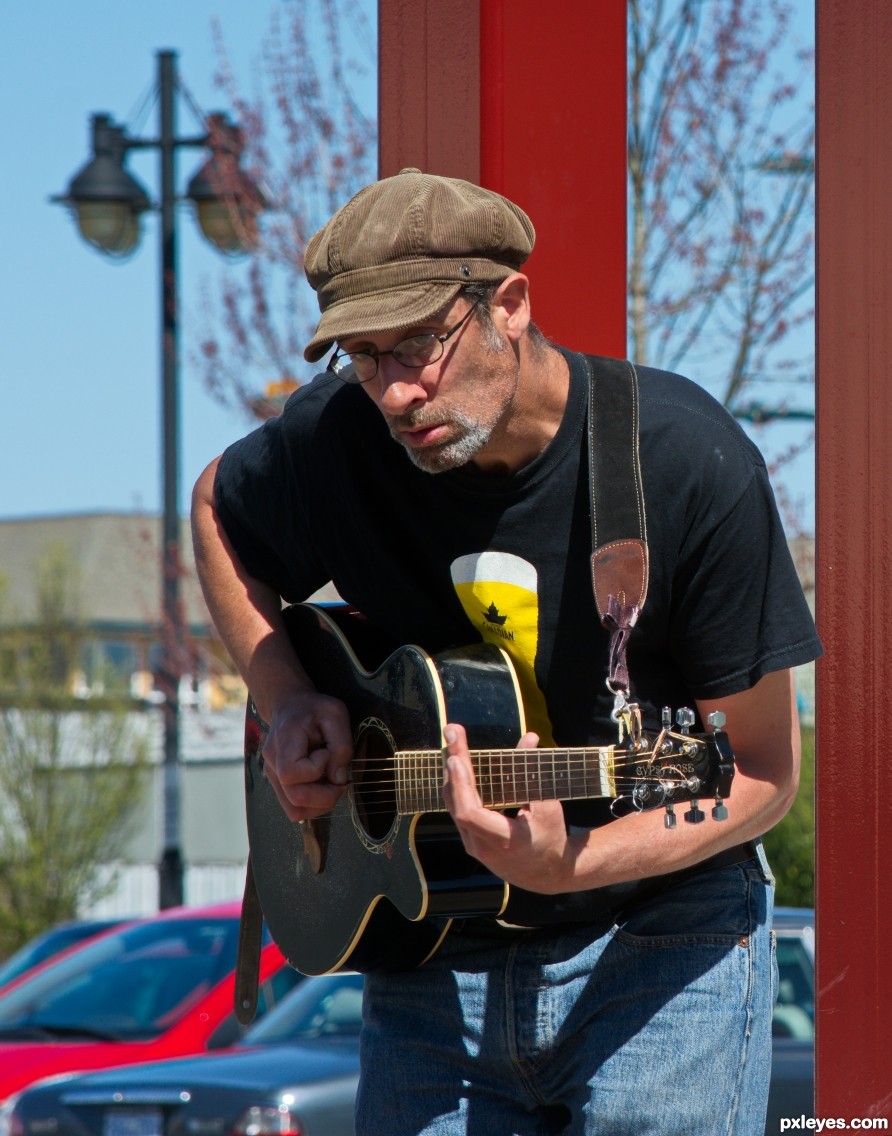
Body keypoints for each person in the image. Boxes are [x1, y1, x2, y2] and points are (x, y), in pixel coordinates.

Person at [191, 168, 821, 1135]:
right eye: (363, 357)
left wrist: (577, 862)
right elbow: (215, 506)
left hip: (661, 937)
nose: (396, 391)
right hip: (433, 946)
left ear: (510, 305)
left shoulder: (686, 461)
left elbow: (765, 774)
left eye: (419, 344)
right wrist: (283, 696)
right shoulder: (342, 442)